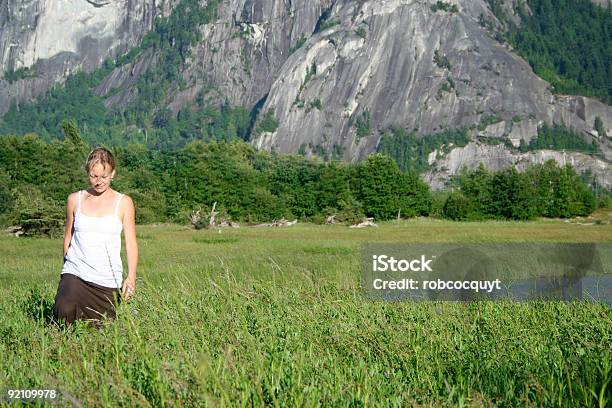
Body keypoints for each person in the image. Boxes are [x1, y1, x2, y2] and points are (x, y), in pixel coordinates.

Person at [53, 147, 138, 325]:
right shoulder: (74, 200)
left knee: (100, 328)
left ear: (112, 173)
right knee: (64, 310)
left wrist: (131, 278)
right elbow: (68, 236)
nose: (98, 181)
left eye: (103, 176)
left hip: (106, 280)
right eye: (93, 176)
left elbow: (130, 243)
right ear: (87, 173)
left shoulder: (124, 203)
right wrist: (66, 271)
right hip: (76, 272)